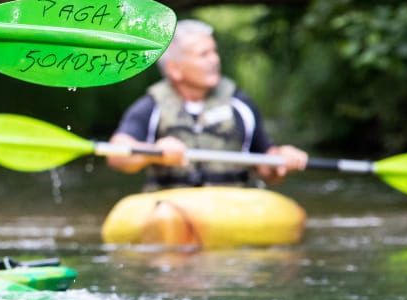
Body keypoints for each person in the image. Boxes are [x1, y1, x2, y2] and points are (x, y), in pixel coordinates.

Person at [107, 19, 308, 187]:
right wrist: (154, 152)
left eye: (214, 52)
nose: (215, 60)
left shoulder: (239, 103)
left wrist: (280, 159)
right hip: (172, 206)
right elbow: (117, 154)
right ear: (174, 69)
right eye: (204, 55)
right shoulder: (151, 106)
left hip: (231, 205)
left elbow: (266, 169)